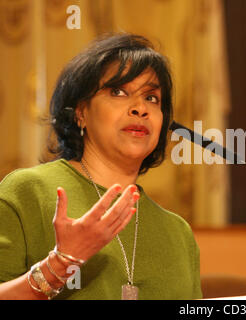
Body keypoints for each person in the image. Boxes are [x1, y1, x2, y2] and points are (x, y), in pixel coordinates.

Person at [0, 33, 202, 300]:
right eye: (118, 91)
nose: (140, 108)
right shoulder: (27, 191)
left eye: (152, 98)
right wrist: (60, 264)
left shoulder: (179, 232)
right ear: (81, 112)